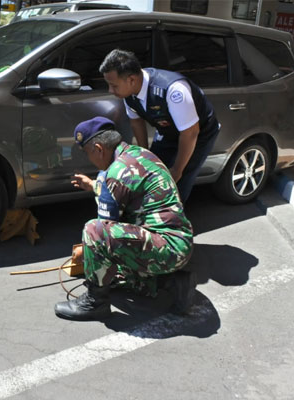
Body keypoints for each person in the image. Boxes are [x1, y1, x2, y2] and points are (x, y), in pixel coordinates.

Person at [54, 117, 195, 321]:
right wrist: (94, 186)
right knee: (118, 271)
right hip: (179, 244)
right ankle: (172, 283)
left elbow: (104, 231)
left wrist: (87, 254)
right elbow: (128, 189)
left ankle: (96, 302)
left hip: (164, 248)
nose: (89, 159)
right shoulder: (140, 154)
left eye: (88, 153)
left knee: (94, 232)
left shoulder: (114, 174)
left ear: (99, 148)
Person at [100, 49, 220, 202]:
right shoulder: (129, 93)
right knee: (151, 172)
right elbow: (136, 122)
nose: (110, 90)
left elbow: (190, 133)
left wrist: (177, 170)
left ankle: (172, 219)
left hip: (198, 134)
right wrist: (144, 156)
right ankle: (151, 215)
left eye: (113, 85)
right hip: (168, 131)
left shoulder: (172, 90)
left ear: (131, 80)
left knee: (176, 183)